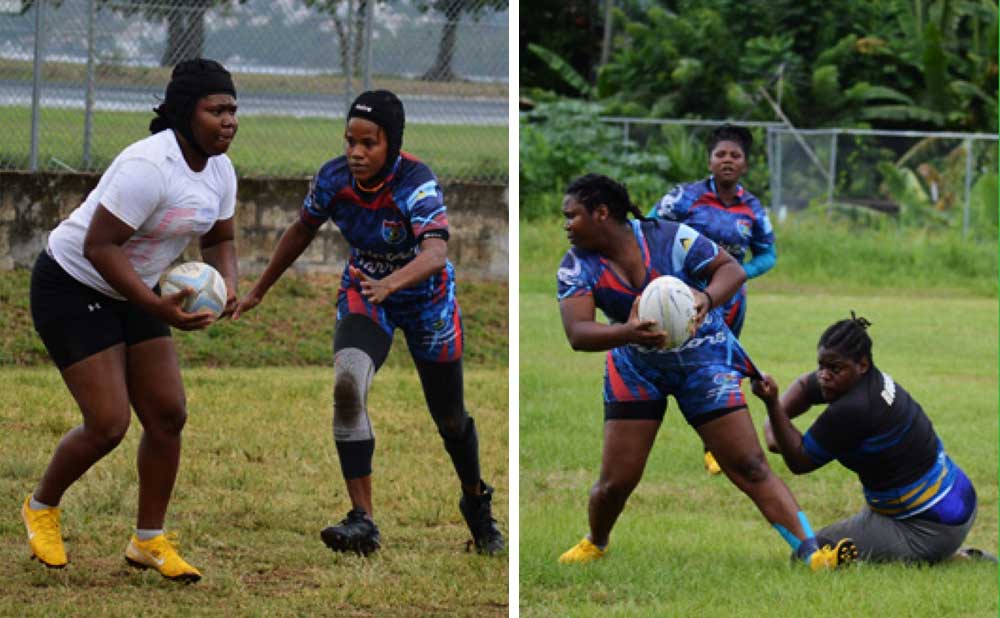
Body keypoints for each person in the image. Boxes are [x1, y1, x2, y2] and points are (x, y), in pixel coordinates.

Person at [233, 90, 504, 556]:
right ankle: (363, 521)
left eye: (369, 144)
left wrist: (393, 284)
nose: (356, 153)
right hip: (365, 293)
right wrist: (260, 288)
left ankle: (476, 502)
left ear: (392, 145)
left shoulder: (416, 183)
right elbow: (301, 229)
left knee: (451, 420)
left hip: (427, 304)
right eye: (349, 142)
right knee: (347, 388)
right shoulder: (332, 178)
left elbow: (436, 254)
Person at [555, 173, 854, 570]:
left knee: (748, 465)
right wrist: (628, 332)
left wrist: (705, 297)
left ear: (601, 213)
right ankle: (597, 541)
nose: (566, 225)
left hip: (704, 360)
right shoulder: (577, 265)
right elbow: (578, 333)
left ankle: (811, 553)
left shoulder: (669, 237)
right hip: (636, 368)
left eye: (571, 216)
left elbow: (731, 269)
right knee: (616, 483)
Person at [21, 59, 240, 582]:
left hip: (138, 289)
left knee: (167, 414)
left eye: (233, 109)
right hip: (73, 283)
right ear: (187, 113)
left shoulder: (220, 170)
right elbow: (99, 246)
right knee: (109, 423)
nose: (229, 120)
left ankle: (148, 541)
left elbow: (221, 238)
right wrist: (151, 303)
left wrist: (227, 283)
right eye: (217, 110)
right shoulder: (149, 166)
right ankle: (41, 507)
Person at [753, 314, 989, 563]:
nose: (823, 375)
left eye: (834, 368)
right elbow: (804, 386)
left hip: (923, 527)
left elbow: (799, 460)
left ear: (862, 365)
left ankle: (943, 557)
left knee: (811, 555)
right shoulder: (869, 381)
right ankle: (940, 554)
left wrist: (772, 406)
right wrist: (776, 420)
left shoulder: (855, 409)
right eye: (821, 366)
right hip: (956, 500)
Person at [649, 124, 776, 476]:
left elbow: (768, 254)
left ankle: (714, 449)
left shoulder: (753, 208)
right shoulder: (684, 198)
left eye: (735, 155)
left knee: (719, 368)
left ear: (745, 164)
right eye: (721, 154)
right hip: (683, 300)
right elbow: (649, 229)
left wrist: (735, 274)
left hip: (731, 303)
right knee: (678, 366)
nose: (727, 160)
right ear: (710, 160)